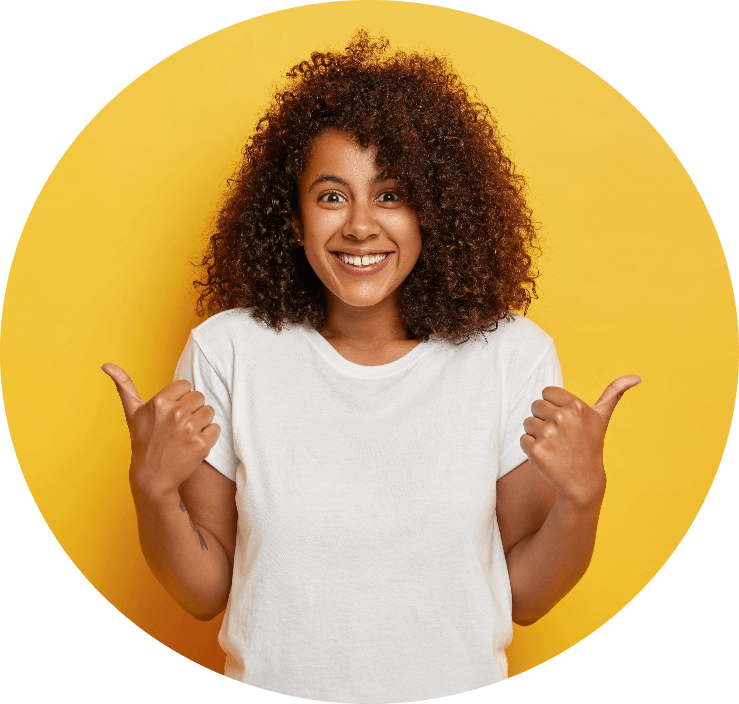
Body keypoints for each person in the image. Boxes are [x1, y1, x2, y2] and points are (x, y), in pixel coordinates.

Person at [102, 31, 640, 701]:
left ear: (432, 214)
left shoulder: (511, 353)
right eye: (331, 196)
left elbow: (524, 596)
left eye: (390, 195)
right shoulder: (227, 350)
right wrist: (150, 489)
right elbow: (204, 591)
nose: (359, 226)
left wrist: (583, 497)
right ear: (292, 220)